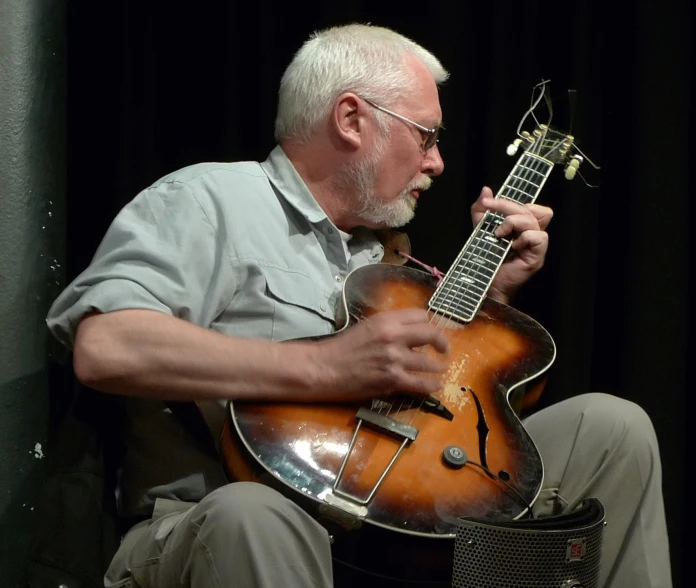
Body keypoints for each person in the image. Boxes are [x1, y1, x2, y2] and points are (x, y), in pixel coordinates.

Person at [46, 23, 672, 588]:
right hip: (222, 517)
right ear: (351, 118)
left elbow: (446, 402)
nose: (438, 161)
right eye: (426, 135)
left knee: (614, 428)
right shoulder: (211, 201)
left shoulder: (391, 258)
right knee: (258, 516)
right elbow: (108, 345)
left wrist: (495, 294)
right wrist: (327, 368)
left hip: (399, 515)